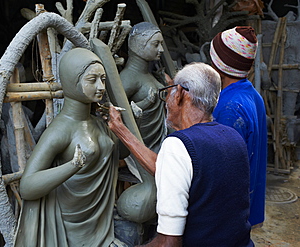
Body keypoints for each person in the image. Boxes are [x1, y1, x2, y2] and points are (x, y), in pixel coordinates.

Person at [106, 62, 254, 246]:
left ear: (180, 94)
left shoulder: (178, 146)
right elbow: (170, 169)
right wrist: (121, 131)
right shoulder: (233, 137)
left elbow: (169, 242)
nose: (166, 100)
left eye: (168, 91)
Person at [14, 48, 127, 246]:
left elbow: (122, 153)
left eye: (102, 79)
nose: (100, 86)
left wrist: (126, 126)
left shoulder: (98, 121)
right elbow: (27, 187)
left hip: (100, 218)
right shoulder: (61, 130)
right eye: (92, 80)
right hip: (69, 223)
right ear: (72, 81)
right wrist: (72, 166)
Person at [210, 26, 268, 227]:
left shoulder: (229, 108)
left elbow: (222, 172)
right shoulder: (252, 95)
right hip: (245, 209)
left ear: (219, 65)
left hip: (228, 217)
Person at [120, 21, 167, 153]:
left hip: (158, 140)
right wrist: (145, 103)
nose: (161, 50)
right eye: (155, 44)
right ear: (138, 45)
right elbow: (115, 113)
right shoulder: (129, 78)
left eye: (161, 44)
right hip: (142, 147)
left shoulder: (149, 74)